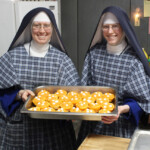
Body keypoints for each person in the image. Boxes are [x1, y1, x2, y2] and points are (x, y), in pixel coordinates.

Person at [0, 7, 80, 150]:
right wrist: (19, 94)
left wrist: (72, 111)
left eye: (46, 26)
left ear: (53, 29)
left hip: (53, 131)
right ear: (29, 28)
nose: (42, 30)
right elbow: (3, 91)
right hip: (21, 128)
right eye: (37, 25)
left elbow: (74, 94)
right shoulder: (12, 57)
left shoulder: (62, 60)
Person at [77, 6, 150, 146]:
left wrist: (120, 109)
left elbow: (143, 102)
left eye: (115, 26)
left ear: (123, 28)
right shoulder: (94, 54)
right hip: (91, 127)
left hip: (120, 128)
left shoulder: (133, 61)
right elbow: (84, 90)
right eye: (106, 27)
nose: (110, 31)